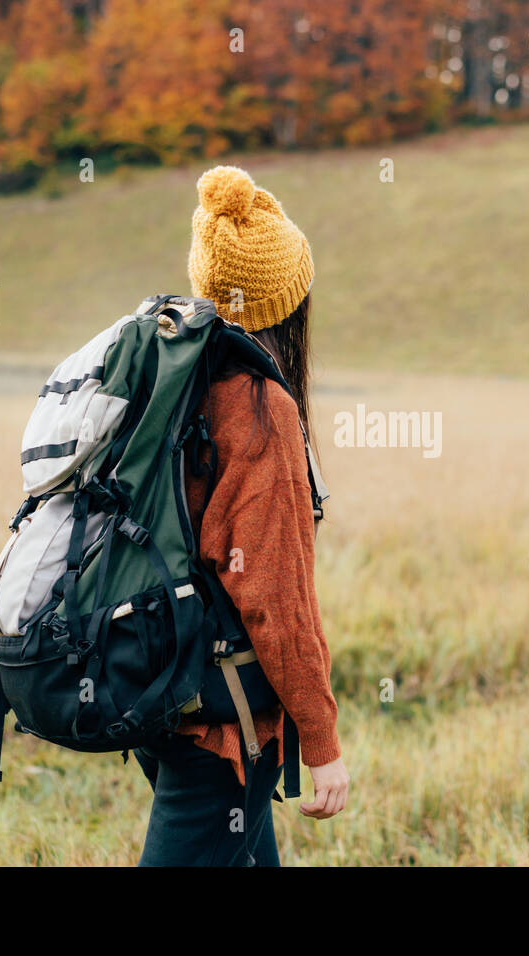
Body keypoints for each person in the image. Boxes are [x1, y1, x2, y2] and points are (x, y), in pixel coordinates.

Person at [133, 165, 349, 866]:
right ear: (288, 305)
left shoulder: (170, 380)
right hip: (221, 725)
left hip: (159, 690)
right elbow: (276, 601)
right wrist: (322, 745)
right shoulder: (261, 410)